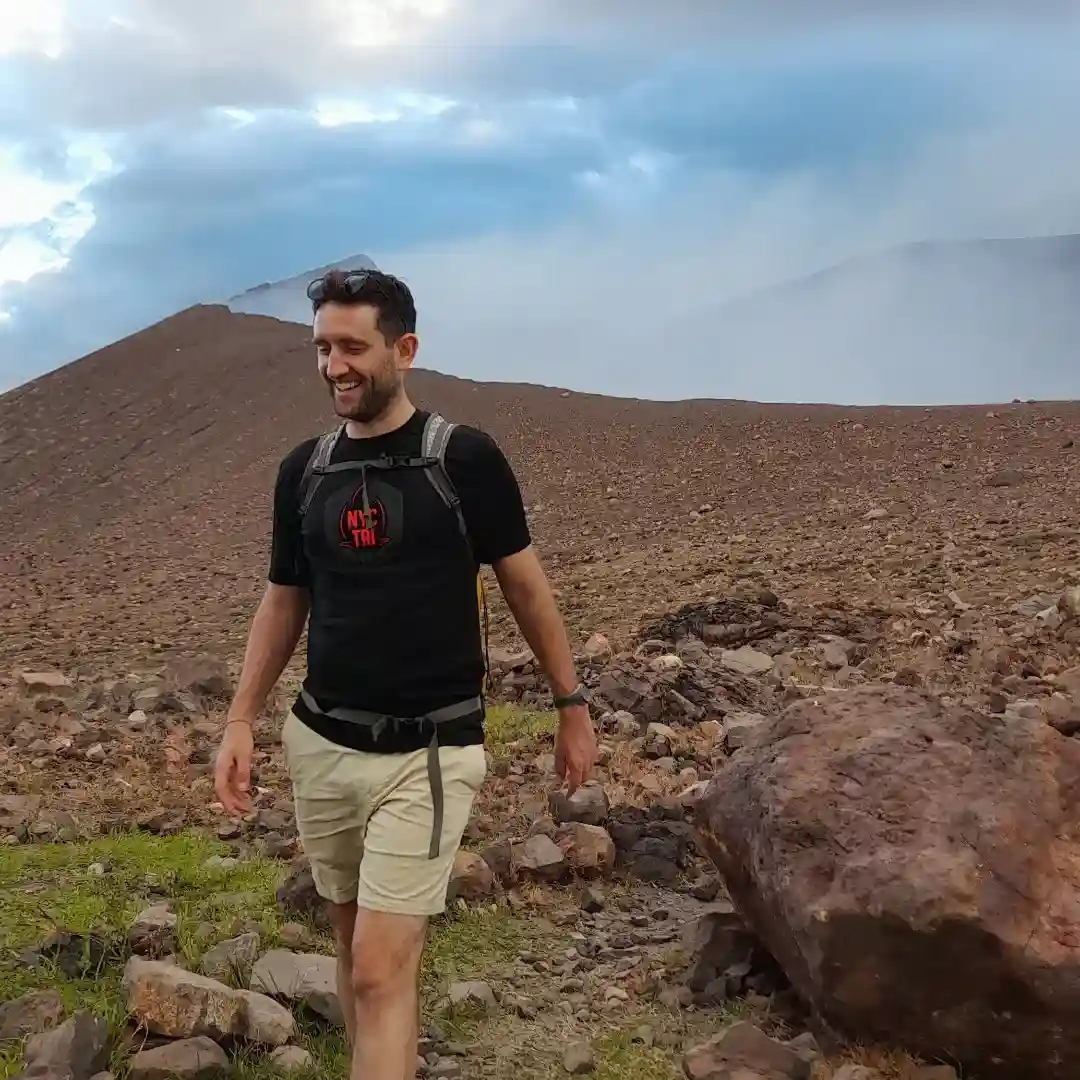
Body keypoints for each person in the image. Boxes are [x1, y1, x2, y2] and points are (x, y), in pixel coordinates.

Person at [213, 268, 598, 1080]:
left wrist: (571, 704)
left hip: (427, 752)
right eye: (322, 348)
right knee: (359, 954)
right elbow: (285, 600)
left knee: (380, 968)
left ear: (404, 348)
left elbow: (525, 586)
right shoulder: (304, 471)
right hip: (321, 743)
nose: (333, 366)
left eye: (352, 346)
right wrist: (241, 717)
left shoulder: (464, 460)